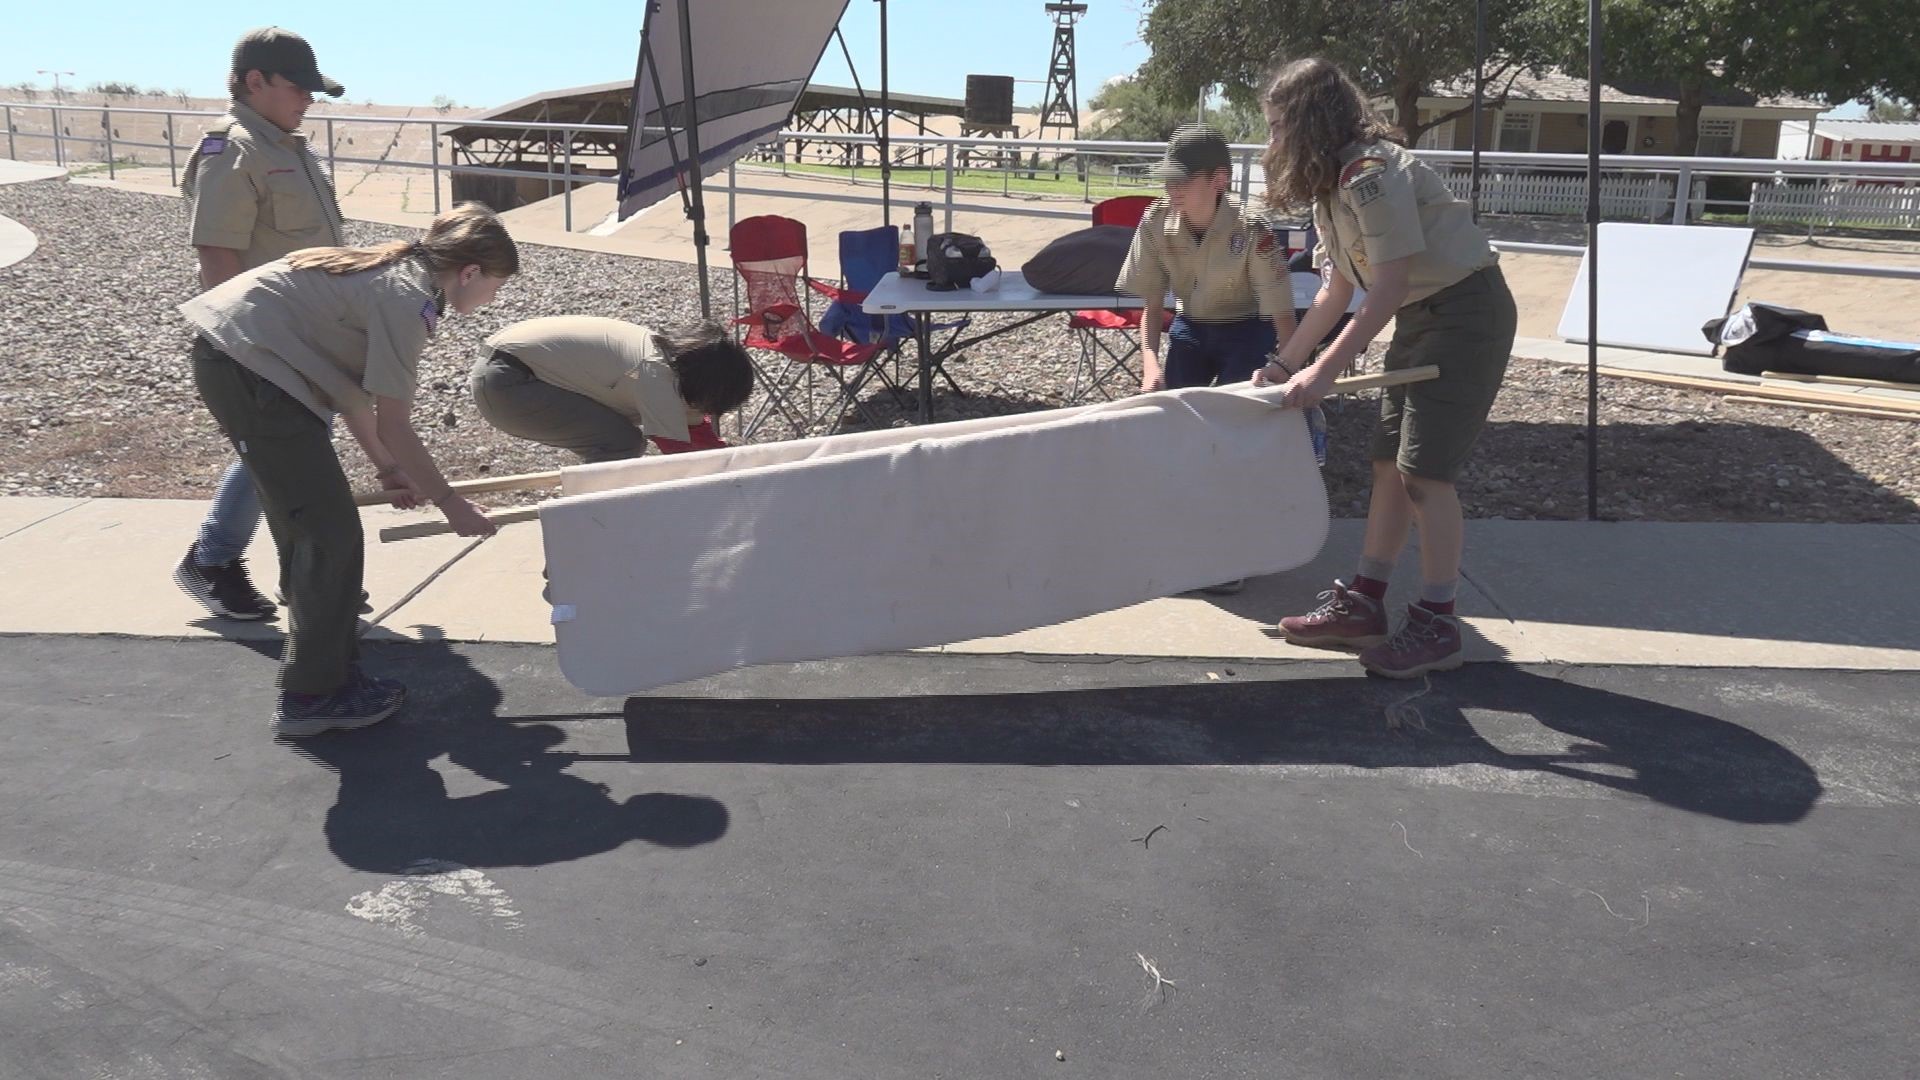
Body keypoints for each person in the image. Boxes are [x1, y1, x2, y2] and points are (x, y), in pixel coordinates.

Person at [180, 203, 519, 736]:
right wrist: (450, 504)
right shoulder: (409, 300)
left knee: (312, 524)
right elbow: (396, 425)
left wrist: (389, 471)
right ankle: (312, 697)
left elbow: (356, 400)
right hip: (250, 371)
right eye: (496, 286)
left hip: (248, 368)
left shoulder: (401, 275)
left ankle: (320, 640)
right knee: (329, 534)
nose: (493, 298)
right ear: (471, 272)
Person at [1254, 58, 1517, 679]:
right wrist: (1285, 362)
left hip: (1465, 312)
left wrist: (1321, 375)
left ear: (1307, 121)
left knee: (1425, 473)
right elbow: (1336, 288)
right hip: (1425, 314)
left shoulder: (1371, 172)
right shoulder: (1331, 183)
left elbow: (1390, 284)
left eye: (1276, 126)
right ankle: (1365, 605)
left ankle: (1437, 621)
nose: (1271, 142)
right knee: (1386, 465)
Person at [173, 26, 349, 622]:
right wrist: (247, 349)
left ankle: (299, 576)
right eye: (297, 87)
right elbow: (217, 256)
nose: (307, 100)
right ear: (255, 81)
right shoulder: (236, 150)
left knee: (285, 453)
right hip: (262, 339)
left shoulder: (288, 147)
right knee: (282, 453)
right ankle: (215, 561)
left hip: (303, 334)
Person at [1118, 122, 1299, 596]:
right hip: (1192, 328)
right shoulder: (1156, 222)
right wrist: (1150, 364)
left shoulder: (1252, 228)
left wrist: (1291, 371)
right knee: (1176, 432)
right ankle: (1185, 544)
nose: (1170, 189)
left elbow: (1280, 311)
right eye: (1167, 179)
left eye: (1182, 180)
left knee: (1235, 438)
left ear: (1218, 180)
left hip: (1246, 330)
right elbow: (1152, 305)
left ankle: (1233, 550)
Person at [469, 317, 755, 462]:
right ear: (707, 389)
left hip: (503, 365)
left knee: (617, 439)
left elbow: (696, 432)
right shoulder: (656, 376)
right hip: (508, 383)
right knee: (622, 442)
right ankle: (579, 544)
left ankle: (588, 532)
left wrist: (728, 455)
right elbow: (682, 457)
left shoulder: (668, 360)